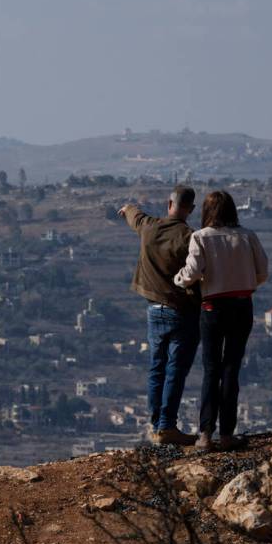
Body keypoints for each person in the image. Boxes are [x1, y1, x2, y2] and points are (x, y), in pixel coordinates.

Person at [174, 190, 268, 452]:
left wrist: (178, 280)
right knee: (231, 369)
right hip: (242, 305)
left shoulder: (200, 237)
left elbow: (192, 272)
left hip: (213, 307)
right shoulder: (247, 236)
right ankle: (227, 434)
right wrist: (243, 284)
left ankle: (205, 434)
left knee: (211, 369)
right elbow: (263, 272)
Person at [118, 186, 201, 446]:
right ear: (191, 209)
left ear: (169, 204)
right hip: (182, 312)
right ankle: (167, 426)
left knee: (157, 367)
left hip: (154, 310)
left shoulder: (150, 227)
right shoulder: (191, 237)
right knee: (175, 370)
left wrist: (127, 208)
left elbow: (135, 216)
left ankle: (157, 426)